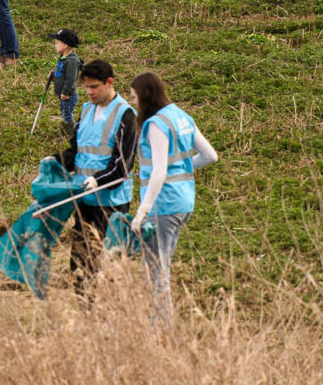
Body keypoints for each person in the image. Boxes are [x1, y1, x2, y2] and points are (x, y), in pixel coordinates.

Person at [128, 71, 218, 325]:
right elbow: (210, 156)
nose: (134, 102)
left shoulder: (156, 124)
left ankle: (160, 328)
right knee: (160, 266)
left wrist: (143, 210)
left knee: (156, 271)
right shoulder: (181, 116)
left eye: (134, 97)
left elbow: (159, 170)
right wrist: (180, 167)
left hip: (163, 205)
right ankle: (158, 324)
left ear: (145, 96)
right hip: (184, 202)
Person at [55, 58, 138, 294]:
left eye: (94, 87)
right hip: (84, 199)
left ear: (109, 82)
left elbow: (123, 165)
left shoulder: (126, 115)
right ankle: (85, 307)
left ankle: (106, 308)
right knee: (79, 263)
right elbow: (75, 149)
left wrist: (97, 181)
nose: (89, 92)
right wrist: (55, 162)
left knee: (104, 265)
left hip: (110, 203)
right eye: (86, 87)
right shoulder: (86, 110)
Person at [48, 28, 82, 139]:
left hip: (68, 95)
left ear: (65, 45)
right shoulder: (63, 57)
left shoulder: (71, 61)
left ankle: (68, 134)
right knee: (64, 113)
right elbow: (62, 73)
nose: (55, 45)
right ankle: (65, 131)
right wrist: (54, 75)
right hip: (64, 94)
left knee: (67, 115)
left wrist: (65, 92)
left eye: (57, 43)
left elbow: (71, 79)